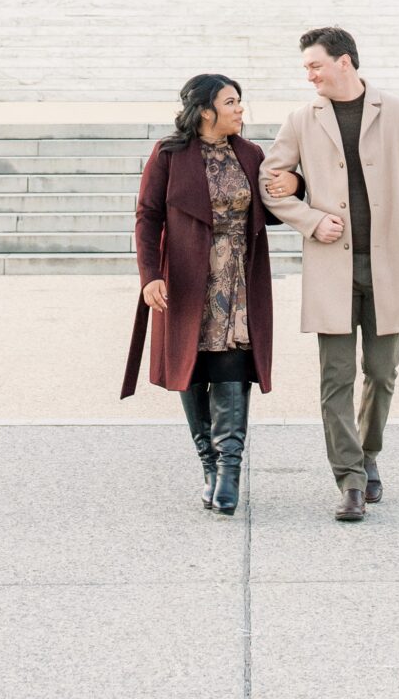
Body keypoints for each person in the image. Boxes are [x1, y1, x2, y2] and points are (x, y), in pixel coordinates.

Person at [262, 27, 399, 523]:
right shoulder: (301, 119)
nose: (310, 74)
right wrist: (312, 220)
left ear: (344, 62)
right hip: (332, 268)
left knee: (382, 374)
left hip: (390, 266)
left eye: (315, 65)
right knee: (335, 379)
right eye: (306, 68)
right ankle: (350, 481)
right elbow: (271, 184)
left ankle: (369, 453)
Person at [121, 72, 275, 513]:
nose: (240, 109)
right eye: (231, 102)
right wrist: (150, 275)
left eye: (239, 101)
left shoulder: (251, 153)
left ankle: (229, 471)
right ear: (206, 110)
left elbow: (276, 202)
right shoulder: (169, 155)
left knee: (232, 367)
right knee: (193, 369)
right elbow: (147, 217)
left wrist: (296, 186)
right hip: (188, 278)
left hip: (239, 280)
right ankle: (208, 464)